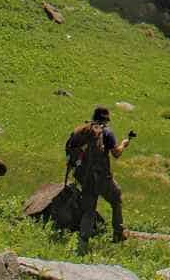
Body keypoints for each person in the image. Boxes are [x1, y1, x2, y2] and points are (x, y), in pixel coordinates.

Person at [68, 106, 130, 250]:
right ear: (106, 119)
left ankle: (83, 241)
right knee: (116, 199)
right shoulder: (106, 132)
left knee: (89, 209)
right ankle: (118, 234)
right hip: (101, 177)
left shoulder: (83, 130)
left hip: (85, 177)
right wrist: (124, 144)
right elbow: (116, 154)